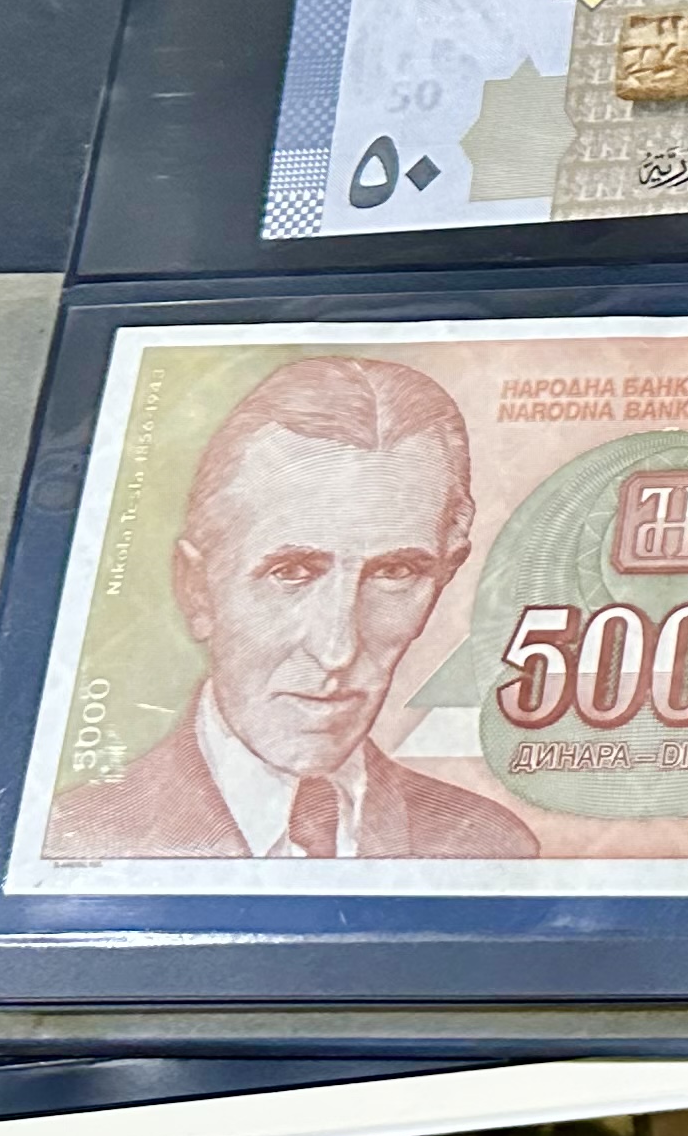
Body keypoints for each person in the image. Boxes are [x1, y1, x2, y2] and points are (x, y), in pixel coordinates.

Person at [46, 355, 538, 862]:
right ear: (197, 589)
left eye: (394, 572)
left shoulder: (489, 845)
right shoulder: (75, 839)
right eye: (292, 572)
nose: (337, 650)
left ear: (445, 574)